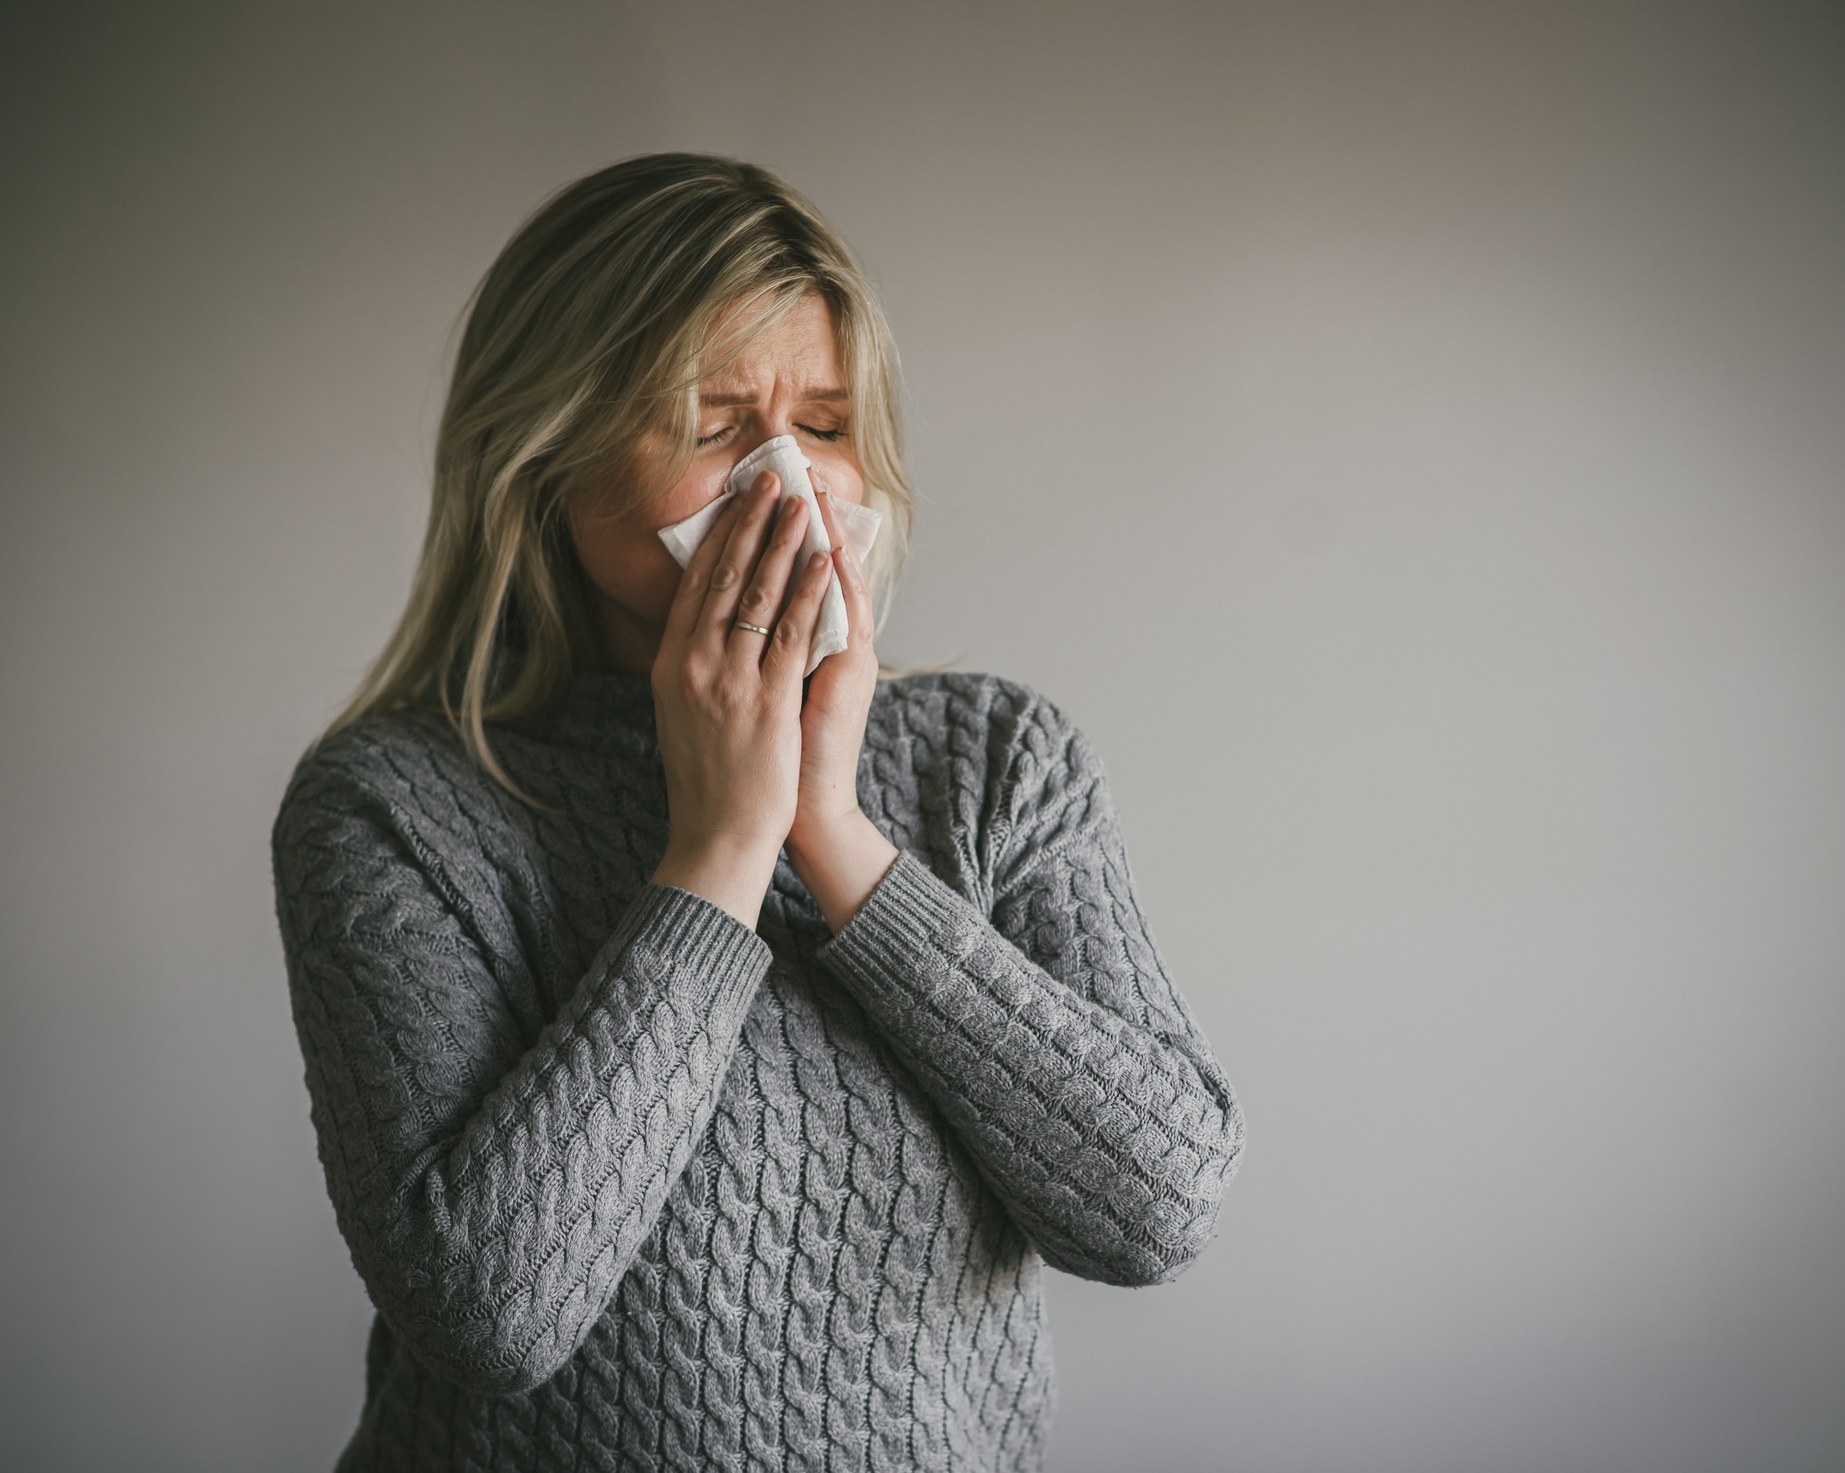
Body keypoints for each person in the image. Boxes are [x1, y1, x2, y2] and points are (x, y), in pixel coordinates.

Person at [273, 153, 1243, 1473]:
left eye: (826, 425)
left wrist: (834, 833)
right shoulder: (391, 807)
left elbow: (1160, 1205)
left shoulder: (1002, 759)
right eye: (717, 424)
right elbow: (491, 1308)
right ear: (550, 450)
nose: (784, 478)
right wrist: (720, 849)